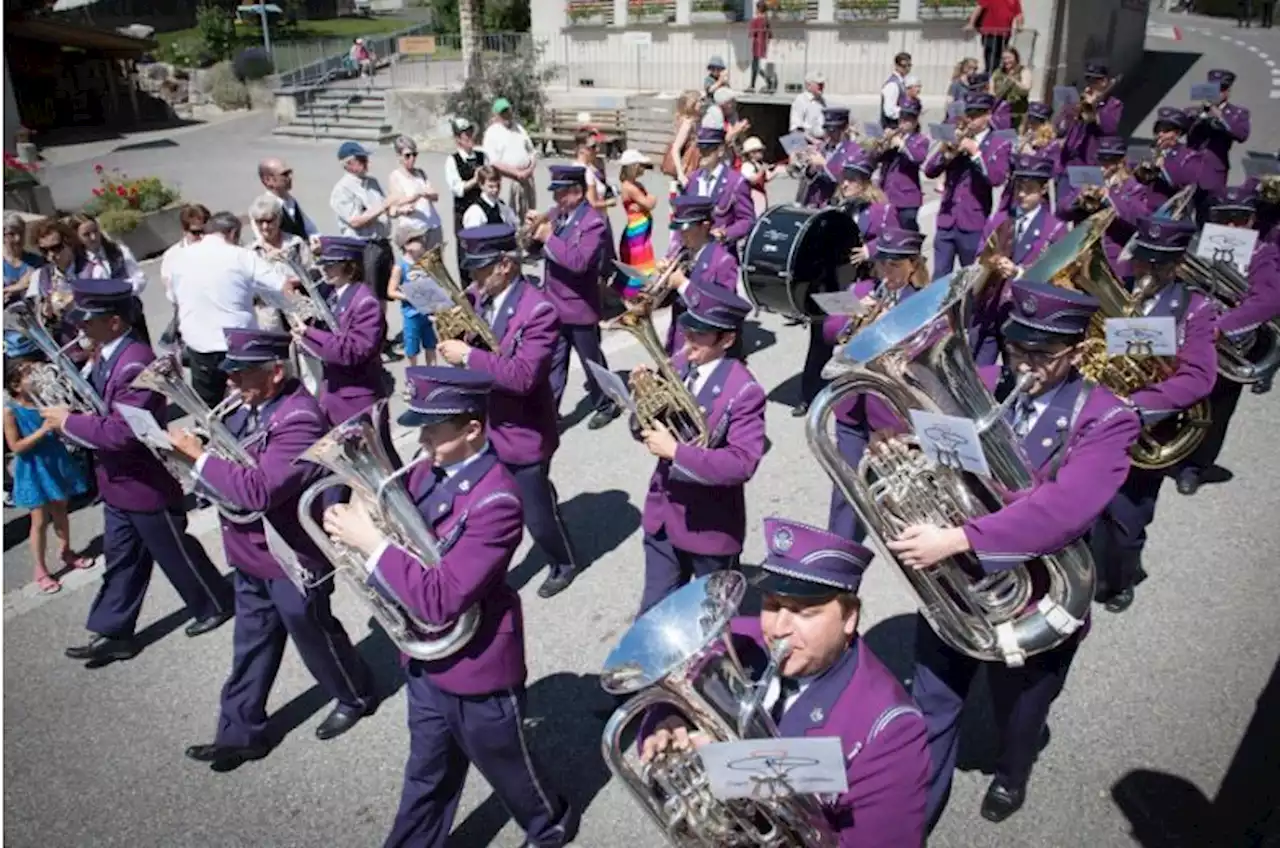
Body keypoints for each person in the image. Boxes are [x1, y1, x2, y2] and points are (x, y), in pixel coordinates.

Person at [889, 277, 1141, 826]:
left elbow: (1065, 507)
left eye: (1042, 353)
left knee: (1019, 710)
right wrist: (912, 444)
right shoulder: (983, 383)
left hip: (1038, 595)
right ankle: (913, 822)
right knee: (932, 703)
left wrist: (958, 539)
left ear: (1075, 351)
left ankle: (1011, 774)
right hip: (953, 584)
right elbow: (931, 435)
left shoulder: (1106, 418)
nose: (1024, 363)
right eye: (1016, 347)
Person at [321, 366, 579, 848]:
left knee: (507, 766)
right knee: (426, 771)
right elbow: (400, 528)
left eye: (432, 430)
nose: (421, 440)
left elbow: (441, 597)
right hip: (424, 656)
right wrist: (357, 513)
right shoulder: (426, 469)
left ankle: (550, 822)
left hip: (477, 659)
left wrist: (373, 546)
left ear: (472, 430)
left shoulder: (497, 501)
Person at [641, 517, 930, 844]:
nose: (778, 628)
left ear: (850, 618)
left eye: (803, 611)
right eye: (772, 605)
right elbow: (673, 691)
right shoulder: (739, 641)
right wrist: (666, 720)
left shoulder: (890, 730)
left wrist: (733, 768)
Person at [170, 328, 377, 770]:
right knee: (250, 642)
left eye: (241, 375)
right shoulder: (248, 407)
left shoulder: (298, 418)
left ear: (276, 372)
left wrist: (201, 460)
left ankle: (355, 693)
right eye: (231, 375)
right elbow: (232, 468)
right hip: (250, 549)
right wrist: (203, 459)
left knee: (312, 632)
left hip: (291, 553)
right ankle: (239, 732)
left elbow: (262, 489)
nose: (231, 384)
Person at [44, 278, 233, 663]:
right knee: (122, 558)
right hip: (117, 481)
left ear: (114, 322)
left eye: (89, 320)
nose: (81, 327)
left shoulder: (135, 363)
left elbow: (121, 433)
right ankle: (115, 631)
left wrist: (67, 422)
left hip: (143, 480)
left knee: (175, 552)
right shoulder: (110, 354)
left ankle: (215, 603)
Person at [437, 223, 584, 599]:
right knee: (490, 507)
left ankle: (563, 561)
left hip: (524, 430)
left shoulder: (540, 310)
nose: (472, 277)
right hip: (487, 425)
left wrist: (469, 354)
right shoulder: (481, 298)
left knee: (535, 515)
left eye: (479, 269)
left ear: (504, 264)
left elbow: (521, 377)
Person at [1090, 217, 1217, 613]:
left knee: (1127, 521)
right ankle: (1089, 571)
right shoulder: (1116, 290)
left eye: (1158, 264)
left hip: (1151, 428)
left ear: (1177, 264)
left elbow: (1199, 377)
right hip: (1100, 419)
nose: (1146, 270)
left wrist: (1136, 408)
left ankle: (1122, 577)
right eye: (1144, 259)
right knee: (1089, 508)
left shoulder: (1194, 310)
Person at [631, 278, 766, 614]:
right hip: (663, 514)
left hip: (709, 525)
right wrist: (641, 400)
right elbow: (646, 425)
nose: (687, 343)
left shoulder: (744, 390)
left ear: (727, 339)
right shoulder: (680, 363)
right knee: (654, 616)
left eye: (698, 336)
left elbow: (741, 463)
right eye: (685, 331)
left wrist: (677, 452)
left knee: (713, 623)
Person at [820, 229, 928, 543]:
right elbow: (827, 328)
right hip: (852, 409)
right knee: (847, 491)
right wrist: (855, 312)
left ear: (913, 265)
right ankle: (838, 558)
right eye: (882, 265)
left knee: (902, 494)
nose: (886, 273)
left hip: (892, 414)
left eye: (894, 266)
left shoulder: (923, 301)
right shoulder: (862, 289)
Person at [1176, 187, 1280, 495]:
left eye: (1240, 219)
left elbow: (1270, 300)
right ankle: (1169, 449)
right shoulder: (1196, 247)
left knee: (1217, 409)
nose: (1233, 227)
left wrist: (1223, 325)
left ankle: (1195, 467)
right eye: (1224, 219)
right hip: (1192, 333)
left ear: (1251, 221)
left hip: (1234, 343)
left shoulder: (1263, 254)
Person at [527, 164, 622, 430]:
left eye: (561, 194)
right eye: (556, 194)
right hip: (554, 304)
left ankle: (606, 403)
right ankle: (549, 412)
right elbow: (535, 250)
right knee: (554, 362)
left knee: (591, 362)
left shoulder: (593, 223)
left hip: (579, 307)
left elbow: (578, 262)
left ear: (578, 192)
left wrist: (549, 238)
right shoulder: (558, 214)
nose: (556, 200)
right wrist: (534, 233)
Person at [167, 211, 289, 408]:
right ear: (232, 234)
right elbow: (282, 285)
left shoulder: (179, 258)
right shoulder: (241, 255)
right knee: (252, 401)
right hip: (239, 345)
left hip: (200, 346)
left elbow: (173, 297)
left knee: (209, 410)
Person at [4, 342, 92, 594]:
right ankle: (40, 569)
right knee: (39, 520)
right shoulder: (10, 411)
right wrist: (44, 429)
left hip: (55, 460)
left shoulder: (43, 400)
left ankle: (66, 551)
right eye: (30, 375)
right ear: (16, 385)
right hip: (34, 468)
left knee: (61, 510)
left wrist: (75, 418)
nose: (38, 377)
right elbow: (16, 447)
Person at [972, 151, 1071, 365]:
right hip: (990, 307)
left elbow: (1056, 277)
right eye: (1018, 188)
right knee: (980, 369)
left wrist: (1018, 272)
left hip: (1023, 311)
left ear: (1043, 190)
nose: (1022, 195)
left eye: (1029, 190)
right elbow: (980, 255)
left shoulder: (1054, 229)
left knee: (1015, 371)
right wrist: (990, 262)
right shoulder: (999, 220)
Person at [292, 236, 390, 441]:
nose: (324, 269)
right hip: (335, 392)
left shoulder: (365, 302)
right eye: (324, 264)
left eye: (331, 265)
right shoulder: (334, 295)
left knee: (379, 462)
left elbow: (353, 351)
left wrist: (309, 334)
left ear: (350, 266)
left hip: (357, 397)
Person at [924, 91, 1013, 277]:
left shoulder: (999, 143)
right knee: (939, 276)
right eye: (969, 114)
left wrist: (975, 153)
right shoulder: (957, 137)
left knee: (970, 279)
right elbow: (929, 170)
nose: (970, 119)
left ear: (988, 115)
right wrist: (946, 156)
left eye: (976, 115)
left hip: (973, 222)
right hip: (947, 221)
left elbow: (996, 179)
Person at [661, 196, 741, 357]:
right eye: (679, 229)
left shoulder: (724, 262)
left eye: (686, 229)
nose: (681, 234)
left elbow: (720, 311)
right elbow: (668, 301)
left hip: (704, 349)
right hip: (677, 341)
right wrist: (662, 281)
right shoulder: (681, 254)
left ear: (704, 226)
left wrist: (683, 285)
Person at [671, 127, 756, 259]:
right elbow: (682, 218)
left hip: (721, 256)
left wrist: (725, 233)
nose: (701, 154)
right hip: (692, 257)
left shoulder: (736, 182)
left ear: (720, 151)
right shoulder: (692, 179)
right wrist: (671, 253)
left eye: (707, 150)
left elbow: (747, 220)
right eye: (700, 149)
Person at [1186, 69, 1251, 218]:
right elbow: (1178, 128)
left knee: (1210, 215)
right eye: (1212, 89)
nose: (1216, 93)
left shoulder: (1237, 113)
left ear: (1227, 92)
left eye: (1221, 89)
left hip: (1213, 173)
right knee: (1182, 214)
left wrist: (1218, 115)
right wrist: (1199, 114)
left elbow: (1241, 134)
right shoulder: (1193, 111)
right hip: (1188, 171)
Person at [387, 220, 439, 367]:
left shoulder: (425, 262)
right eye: (418, 240)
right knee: (412, 348)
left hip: (427, 312)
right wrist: (408, 296)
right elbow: (391, 291)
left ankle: (433, 372)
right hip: (411, 315)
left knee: (431, 344)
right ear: (407, 245)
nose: (423, 241)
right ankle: (413, 374)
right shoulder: (400, 267)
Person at [876, 97, 930, 231]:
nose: (903, 122)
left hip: (907, 199)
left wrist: (902, 146)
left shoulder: (920, 140)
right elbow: (877, 159)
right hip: (888, 195)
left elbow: (917, 158)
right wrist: (883, 145)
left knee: (907, 235)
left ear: (915, 120)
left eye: (908, 119)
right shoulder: (894, 138)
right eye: (901, 118)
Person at [1055, 63, 1122, 169]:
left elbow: (1109, 128)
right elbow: (1059, 127)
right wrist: (1072, 112)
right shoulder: (1078, 101)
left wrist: (1093, 109)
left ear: (1104, 82)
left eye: (1093, 81)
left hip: (1090, 162)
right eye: (1088, 80)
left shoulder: (1113, 104)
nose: (1089, 85)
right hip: (1068, 160)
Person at [1137, 107, 1204, 211]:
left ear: (1177, 133)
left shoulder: (1189, 155)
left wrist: (1162, 168)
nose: (1160, 134)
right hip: (1144, 208)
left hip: (1168, 211)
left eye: (1166, 130)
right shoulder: (1150, 151)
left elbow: (1186, 184)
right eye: (1157, 129)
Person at [483, 98, 538, 219]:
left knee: (529, 214)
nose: (507, 115)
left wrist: (529, 169)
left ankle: (527, 237)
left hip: (526, 179)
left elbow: (532, 152)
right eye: (503, 112)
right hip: (508, 180)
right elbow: (494, 162)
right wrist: (517, 173)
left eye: (508, 111)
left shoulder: (519, 129)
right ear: (496, 115)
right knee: (510, 215)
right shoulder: (492, 133)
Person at [387, 135, 444, 250]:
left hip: (432, 225)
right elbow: (395, 202)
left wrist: (428, 194)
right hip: (413, 230)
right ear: (399, 156)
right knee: (416, 265)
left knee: (434, 266)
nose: (412, 158)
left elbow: (435, 196)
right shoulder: (395, 177)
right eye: (407, 155)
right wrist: (416, 196)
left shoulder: (420, 173)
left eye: (414, 154)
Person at [617, 149, 658, 300]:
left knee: (640, 265)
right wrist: (651, 199)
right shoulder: (629, 186)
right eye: (640, 165)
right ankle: (630, 298)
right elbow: (649, 202)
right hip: (636, 230)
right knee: (638, 266)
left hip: (641, 227)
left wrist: (647, 202)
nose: (642, 169)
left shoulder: (635, 185)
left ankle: (635, 296)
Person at [800, 107, 857, 209]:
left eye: (833, 131)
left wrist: (824, 164)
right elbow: (808, 178)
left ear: (845, 129)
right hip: (816, 203)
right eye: (827, 130)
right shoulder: (822, 147)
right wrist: (812, 167)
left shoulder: (853, 150)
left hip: (838, 204)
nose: (829, 135)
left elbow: (846, 178)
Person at [443, 117, 488, 242]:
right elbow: (457, 189)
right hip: (463, 211)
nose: (470, 137)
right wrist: (475, 179)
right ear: (458, 139)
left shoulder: (482, 156)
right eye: (466, 134)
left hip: (482, 210)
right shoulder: (452, 160)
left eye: (471, 133)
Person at [255, 157, 317, 241]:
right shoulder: (262, 209)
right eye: (285, 174)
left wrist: (315, 241)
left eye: (290, 173)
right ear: (268, 180)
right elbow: (264, 241)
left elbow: (311, 230)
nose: (290, 177)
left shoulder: (291, 201)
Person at [965, 0, 1023, 74]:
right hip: (989, 33)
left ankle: (995, 75)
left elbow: (1018, 14)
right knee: (991, 57)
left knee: (1000, 56)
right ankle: (990, 76)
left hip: (1004, 34)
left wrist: (1019, 26)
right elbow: (979, 8)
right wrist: (971, 24)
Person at [461, 166, 520, 230]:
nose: (495, 190)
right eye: (491, 187)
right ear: (481, 185)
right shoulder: (475, 211)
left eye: (498, 186)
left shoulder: (503, 207)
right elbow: (472, 236)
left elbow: (514, 226)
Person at [3, 213, 42, 305]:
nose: (18, 238)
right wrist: (19, 286)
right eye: (11, 234)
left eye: (21, 233)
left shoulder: (36, 261)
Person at [739, 136, 781, 216]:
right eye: (758, 151)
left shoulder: (760, 164)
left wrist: (777, 170)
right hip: (752, 196)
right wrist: (762, 171)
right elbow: (752, 180)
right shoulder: (747, 166)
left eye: (761, 150)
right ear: (751, 153)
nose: (761, 153)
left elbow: (767, 177)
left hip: (761, 196)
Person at [747, 1, 776, 93]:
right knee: (756, 66)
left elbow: (751, 34)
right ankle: (752, 85)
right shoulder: (766, 20)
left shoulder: (755, 20)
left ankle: (768, 82)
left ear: (758, 9)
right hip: (763, 45)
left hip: (756, 45)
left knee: (756, 66)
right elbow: (771, 34)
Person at [879, 52, 913, 128]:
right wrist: (908, 112)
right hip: (891, 128)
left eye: (909, 65)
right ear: (896, 66)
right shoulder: (893, 85)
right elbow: (889, 111)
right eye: (904, 66)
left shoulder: (902, 82)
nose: (907, 68)